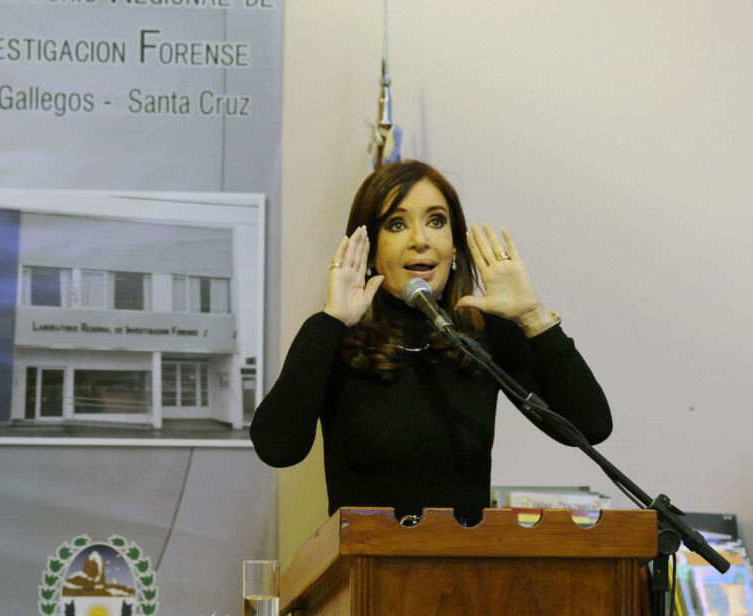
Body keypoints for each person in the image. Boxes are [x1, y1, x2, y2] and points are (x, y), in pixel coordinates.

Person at [250, 160, 612, 524]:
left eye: (436, 221)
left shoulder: (484, 334)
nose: (420, 239)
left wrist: (533, 315)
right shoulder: (335, 333)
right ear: (372, 250)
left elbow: (591, 426)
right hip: (364, 571)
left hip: (466, 573)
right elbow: (278, 448)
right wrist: (331, 322)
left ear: (454, 247)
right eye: (397, 223)